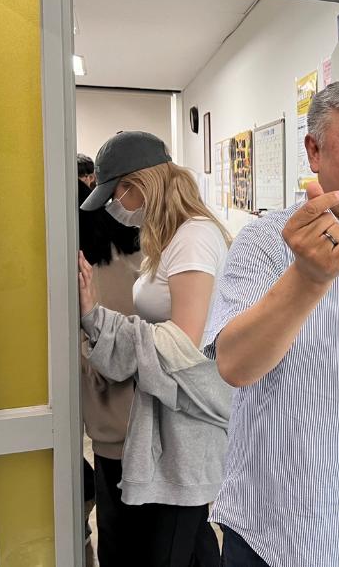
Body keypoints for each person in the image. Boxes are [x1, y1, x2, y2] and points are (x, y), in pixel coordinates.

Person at [202, 75, 339, 567]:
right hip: (276, 534)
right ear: (314, 151)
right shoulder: (265, 242)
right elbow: (234, 365)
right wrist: (307, 278)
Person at [77, 131, 232, 567]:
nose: (114, 206)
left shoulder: (194, 238)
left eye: (117, 194)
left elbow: (181, 345)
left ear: (139, 185)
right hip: (170, 420)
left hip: (186, 427)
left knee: (170, 550)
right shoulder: (170, 238)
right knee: (189, 546)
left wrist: (99, 321)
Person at [78, 159, 141, 567]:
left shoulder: (81, 263)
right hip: (151, 409)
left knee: (118, 532)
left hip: (110, 421)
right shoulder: (140, 245)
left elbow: (92, 352)